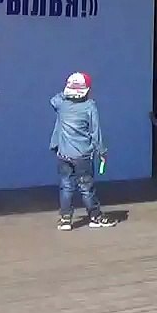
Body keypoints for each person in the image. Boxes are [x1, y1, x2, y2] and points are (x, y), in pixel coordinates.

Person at [49, 72, 117, 231]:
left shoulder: (61, 104)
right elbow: (95, 132)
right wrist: (102, 151)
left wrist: (66, 91)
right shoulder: (89, 106)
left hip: (63, 155)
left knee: (66, 187)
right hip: (83, 156)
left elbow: (54, 99)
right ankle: (95, 217)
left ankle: (65, 220)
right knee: (86, 188)